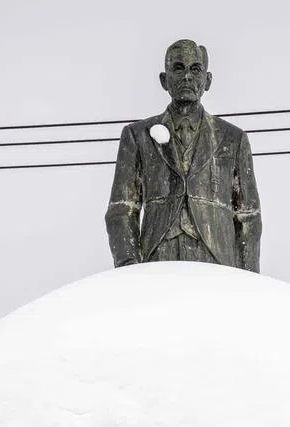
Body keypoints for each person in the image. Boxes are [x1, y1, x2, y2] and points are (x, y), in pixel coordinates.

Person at [105, 39, 262, 272]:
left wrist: (249, 278)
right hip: (157, 259)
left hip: (218, 262)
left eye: (195, 69)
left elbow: (248, 215)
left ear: (207, 80)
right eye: (178, 68)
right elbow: (122, 209)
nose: (187, 76)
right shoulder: (137, 136)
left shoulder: (233, 139)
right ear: (164, 79)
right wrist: (130, 269)